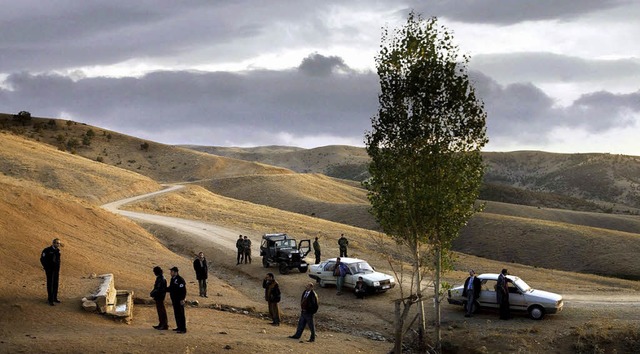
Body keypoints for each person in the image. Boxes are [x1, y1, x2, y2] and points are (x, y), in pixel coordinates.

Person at [40, 238, 62, 306]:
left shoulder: (58, 250)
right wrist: (46, 268)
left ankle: (55, 298)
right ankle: (50, 299)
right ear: (53, 243)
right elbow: (42, 259)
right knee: (50, 284)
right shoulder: (47, 250)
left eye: (59, 243)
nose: (58, 245)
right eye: (57, 243)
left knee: (56, 283)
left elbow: (58, 260)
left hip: (56, 270)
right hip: (50, 270)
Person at [168, 266, 187, 333]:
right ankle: (179, 326)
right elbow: (171, 288)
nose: (170, 273)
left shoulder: (180, 279)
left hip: (179, 299)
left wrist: (182, 299)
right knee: (176, 313)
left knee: (181, 314)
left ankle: (183, 328)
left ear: (175, 272)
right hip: (174, 299)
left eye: (172, 271)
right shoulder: (172, 279)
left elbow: (183, 290)